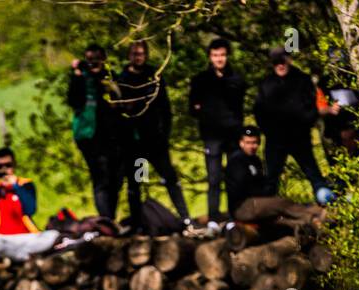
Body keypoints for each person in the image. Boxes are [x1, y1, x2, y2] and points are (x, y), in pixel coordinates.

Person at [115, 40, 191, 227]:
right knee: (138, 182)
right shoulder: (122, 80)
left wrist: (164, 134)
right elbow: (118, 112)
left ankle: (186, 218)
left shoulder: (154, 78)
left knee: (170, 179)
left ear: (146, 55)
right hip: (136, 145)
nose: (137, 57)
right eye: (134, 54)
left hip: (156, 143)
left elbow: (165, 109)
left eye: (141, 54)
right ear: (129, 56)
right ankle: (139, 223)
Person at [253, 47, 336, 205]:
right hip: (275, 141)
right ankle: (268, 214)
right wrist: (269, 130)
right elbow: (259, 111)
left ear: (288, 60)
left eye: (282, 61)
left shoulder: (302, 80)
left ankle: (328, 208)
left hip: (300, 138)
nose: (280, 65)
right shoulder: (266, 84)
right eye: (276, 62)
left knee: (314, 176)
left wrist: (304, 125)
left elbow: (313, 108)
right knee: (271, 180)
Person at [188, 37, 248, 219]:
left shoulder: (237, 79)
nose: (219, 59)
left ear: (227, 56)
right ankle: (213, 218)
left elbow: (237, 102)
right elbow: (192, 108)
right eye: (215, 55)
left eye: (222, 55)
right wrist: (205, 113)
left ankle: (235, 216)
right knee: (214, 179)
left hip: (232, 136)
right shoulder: (200, 80)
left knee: (235, 179)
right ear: (210, 57)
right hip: (211, 137)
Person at [67, 43, 123, 220]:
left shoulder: (112, 77)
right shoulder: (82, 79)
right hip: (90, 138)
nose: (93, 63)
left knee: (116, 179)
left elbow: (122, 101)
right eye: (89, 60)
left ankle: (110, 219)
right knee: (101, 178)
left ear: (104, 59)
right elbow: (73, 101)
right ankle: (106, 221)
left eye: (96, 59)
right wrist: (76, 75)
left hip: (114, 136)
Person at [0, 148, 61, 262]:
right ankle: (27, 258)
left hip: (28, 237)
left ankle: (18, 257)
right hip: (4, 239)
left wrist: (15, 186)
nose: (4, 169)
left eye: (8, 165)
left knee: (54, 235)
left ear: (14, 165)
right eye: (0, 166)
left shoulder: (25, 184)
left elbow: (30, 209)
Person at [225, 126, 275, 215]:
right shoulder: (237, 161)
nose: (251, 146)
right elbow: (240, 189)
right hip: (242, 207)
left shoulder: (256, 160)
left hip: (257, 202)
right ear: (241, 143)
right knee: (280, 204)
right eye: (248, 143)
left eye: (254, 143)